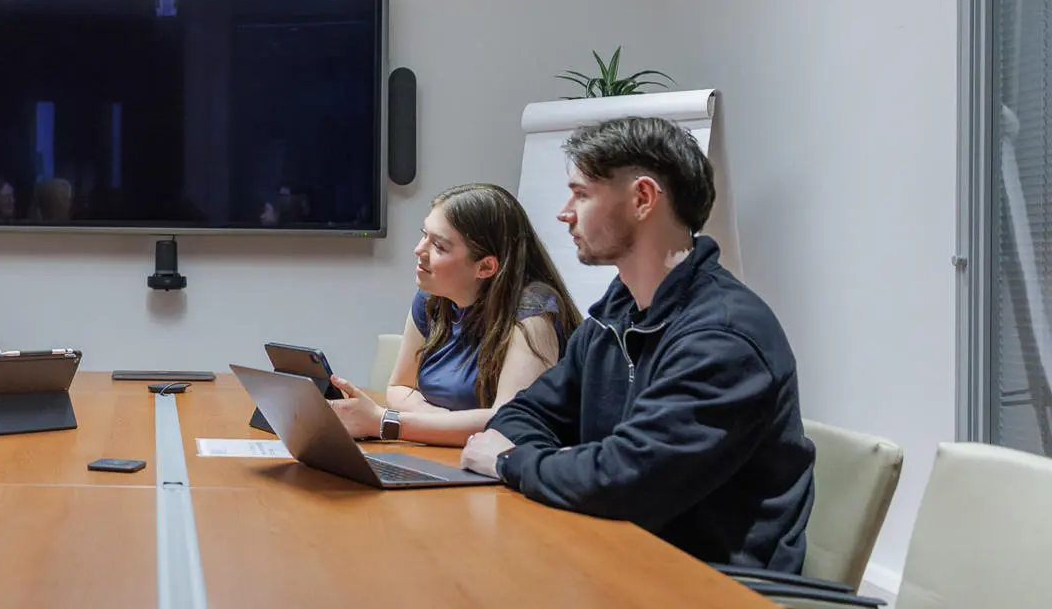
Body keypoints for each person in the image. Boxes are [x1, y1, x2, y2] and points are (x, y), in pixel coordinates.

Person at [461, 116, 815, 573]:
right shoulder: (615, 315)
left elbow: (622, 483)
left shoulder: (723, 338)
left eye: (582, 194)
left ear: (643, 198)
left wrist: (512, 462)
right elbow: (522, 414)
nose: (564, 212)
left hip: (710, 585)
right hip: (617, 554)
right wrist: (577, 467)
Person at [325, 183, 581, 446]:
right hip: (447, 453)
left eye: (439, 246)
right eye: (424, 234)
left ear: (486, 267)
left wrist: (387, 422)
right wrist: (442, 422)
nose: (418, 250)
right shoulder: (431, 300)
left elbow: (508, 423)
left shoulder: (533, 315)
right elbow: (399, 388)